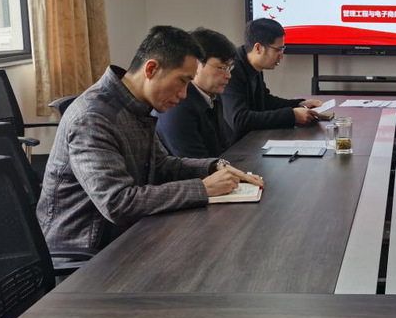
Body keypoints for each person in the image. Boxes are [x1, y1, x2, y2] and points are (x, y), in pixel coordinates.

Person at [38, 26, 263, 259]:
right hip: (88, 254)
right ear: (151, 69)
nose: (184, 94)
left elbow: (162, 164)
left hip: (129, 232)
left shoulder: (135, 106)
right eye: (182, 81)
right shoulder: (93, 118)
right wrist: (203, 188)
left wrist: (214, 167)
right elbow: (117, 203)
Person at [222, 18, 323, 138]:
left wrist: (299, 104)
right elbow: (239, 120)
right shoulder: (231, 70)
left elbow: (266, 101)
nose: (281, 55)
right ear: (258, 48)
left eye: (283, 49)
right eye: (278, 50)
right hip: (235, 146)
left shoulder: (253, 65)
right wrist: (292, 116)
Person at [155, 28, 237, 158]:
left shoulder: (212, 95)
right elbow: (195, 163)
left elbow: (224, 148)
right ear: (196, 64)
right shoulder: (178, 104)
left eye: (229, 67)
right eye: (222, 67)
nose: (228, 75)